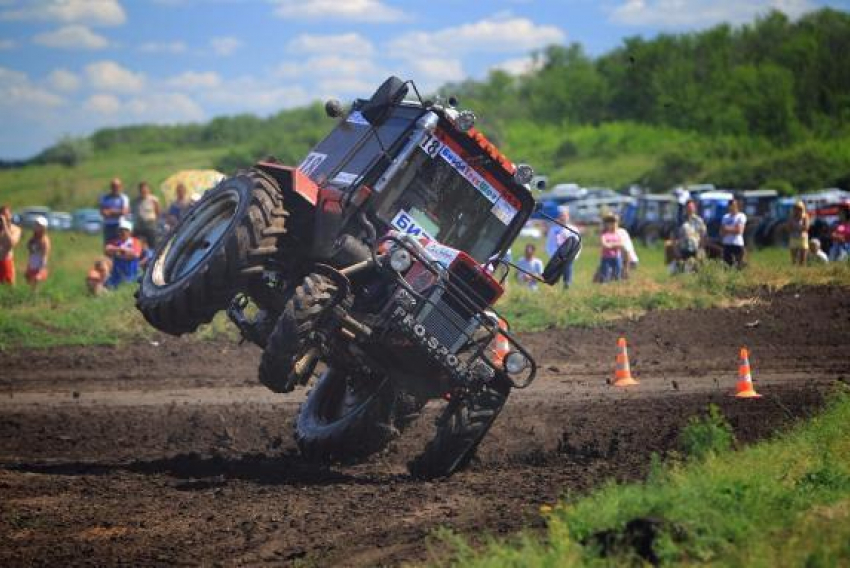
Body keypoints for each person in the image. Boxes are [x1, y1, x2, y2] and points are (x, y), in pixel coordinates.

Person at [545, 206, 579, 288]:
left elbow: (577, 244)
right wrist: (552, 255)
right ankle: (554, 286)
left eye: (564, 215)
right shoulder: (553, 229)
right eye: (561, 215)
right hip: (556, 256)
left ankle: (567, 284)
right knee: (555, 274)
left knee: (567, 271)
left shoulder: (573, 229)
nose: (563, 218)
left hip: (568, 256)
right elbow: (549, 244)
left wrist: (574, 255)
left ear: (568, 217)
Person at [104, 218, 142, 288]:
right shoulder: (116, 242)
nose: (123, 232)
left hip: (131, 272)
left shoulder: (135, 241)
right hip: (116, 274)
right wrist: (121, 249)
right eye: (121, 230)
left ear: (130, 232)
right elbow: (107, 249)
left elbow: (135, 255)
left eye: (125, 230)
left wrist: (118, 253)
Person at [674, 200, 707, 273]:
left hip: (695, 249)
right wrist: (676, 250)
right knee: (683, 271)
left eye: (692, 207)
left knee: (696, 271)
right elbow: (676, 236)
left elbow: (703, 236)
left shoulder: (699, 221)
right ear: (685, 208)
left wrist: (701, 249)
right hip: (683, 249)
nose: (690, 209)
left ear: (695, 208)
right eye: (688, 207)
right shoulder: (680, 220)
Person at [99, 177, 130, 244]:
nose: (115, 188)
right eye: (113, 186)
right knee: (108, 246)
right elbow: (103, 212)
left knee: (120, 245)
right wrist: (117, 212)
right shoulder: (105, 198)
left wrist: (110, 211)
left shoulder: (124, 198)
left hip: (120, 225)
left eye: (117, 186)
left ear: (120, 187)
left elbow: (124, 212)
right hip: (108, 225)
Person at [132, 181, 160, 249]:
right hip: (138, 227)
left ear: (148, 189)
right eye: (142, 189)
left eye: (145, 189)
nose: (143, 191)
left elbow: (158, 212)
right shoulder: (135, 200)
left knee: (153, 246)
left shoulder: (154, 200)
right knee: (136, 247)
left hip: (150, 227)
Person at [25, 216, 50, 291]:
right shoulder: (33, 238)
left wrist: (42, 267)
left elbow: (44, 255)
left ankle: (36, 300)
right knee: (29, 282)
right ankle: (31, 298)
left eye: (39, 225)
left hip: (39, 265)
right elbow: (29, 249)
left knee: (36, 282)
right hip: (32, 263)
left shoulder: (44, 240)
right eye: (36, 225)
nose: (36, 227)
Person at [720, 199, 747, 269]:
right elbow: (721, 231)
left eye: (734, 205)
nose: (732, 207)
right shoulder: (725, 217)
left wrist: (727, 229)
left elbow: (739, 230)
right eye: (730, 205)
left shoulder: (741, 216)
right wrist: (733, 228)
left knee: (739, 266)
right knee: (727, 266)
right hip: (727, 245)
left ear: (737, 206)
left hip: (737, 244)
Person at [597, 213, 623, 283]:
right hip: (606, 257)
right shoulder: (604, 234)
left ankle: (616, 282)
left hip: (617, 256)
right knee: (605, 272)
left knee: (617, 270)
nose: (612, 224)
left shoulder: (618, 233)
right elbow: (604, 245)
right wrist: (615, 245)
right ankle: (605, 282)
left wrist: (610, 244)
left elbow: (621, 244)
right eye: (610, 223)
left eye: (613, 223)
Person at [0, 204, 22, 285]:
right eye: (2, 215)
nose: (3, 218)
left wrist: (5, 225)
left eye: (6, 215)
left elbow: (11, 243)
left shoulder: (16, 229)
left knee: (9, 289)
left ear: (10, 216)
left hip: (6, 262)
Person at [787, 200, 809, 266]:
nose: (797, 210)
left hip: (802, 238)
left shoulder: (805, 217)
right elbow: (788, 228)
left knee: (802, 258)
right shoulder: (791, 217)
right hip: (793, 238)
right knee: (794, 259)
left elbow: (806, 228)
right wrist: (798, 228)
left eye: (799, 208)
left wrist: (795, 227)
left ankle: (802, 271)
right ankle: (794, 271)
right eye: (796, 208)